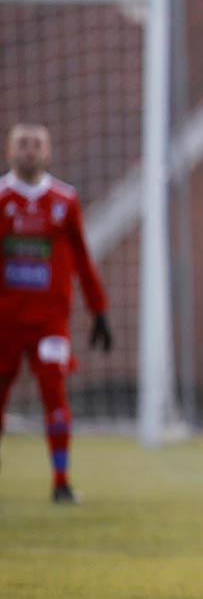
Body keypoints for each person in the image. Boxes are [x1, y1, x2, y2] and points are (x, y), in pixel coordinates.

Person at [1, 124, 113, 503]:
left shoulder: (64, 200)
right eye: (22, 145)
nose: (29, 151)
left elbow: (82, 257)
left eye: (36, 145)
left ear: (48, 153)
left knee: (55, 394)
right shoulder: (0, 198)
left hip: (50, 322)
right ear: (9, 151)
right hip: (4, 322)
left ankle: (61, 481)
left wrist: (99, 310)